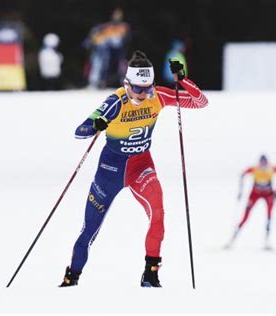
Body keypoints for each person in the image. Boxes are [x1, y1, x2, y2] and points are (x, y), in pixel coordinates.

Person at [60, 51, 208, 288]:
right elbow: (80, 130)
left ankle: (150, 274)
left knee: (158, 213)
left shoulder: (157, 96)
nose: (143, 94)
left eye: (148, 88)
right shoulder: (115, 102)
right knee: (90, 229)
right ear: (126, 84)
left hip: (141, 166)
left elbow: (201, 103)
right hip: (110, 171)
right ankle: (71, 277)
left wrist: (182, 80)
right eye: (138, 89)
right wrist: (95, 125)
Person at [226, 154, 276, 250]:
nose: (263, 165)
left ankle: (267, 241)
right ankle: (233, 239)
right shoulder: (255, 169)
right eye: (261, 163)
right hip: (255, 194)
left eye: (264, 163)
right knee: (245, 217)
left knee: (269, 216)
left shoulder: (271, 169)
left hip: (268, 195)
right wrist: (240, 191)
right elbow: (242, 174)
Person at [84, 8, 130, 89]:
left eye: (119, 15)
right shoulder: (107, 27)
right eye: (115, 14)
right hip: (105, 53)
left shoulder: (124, 26)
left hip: (119, 53)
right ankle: (99, 83)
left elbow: (126, 39)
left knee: (121, 68)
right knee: (100, 66)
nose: (117, 17)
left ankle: (124, 84)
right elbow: (93, 40)